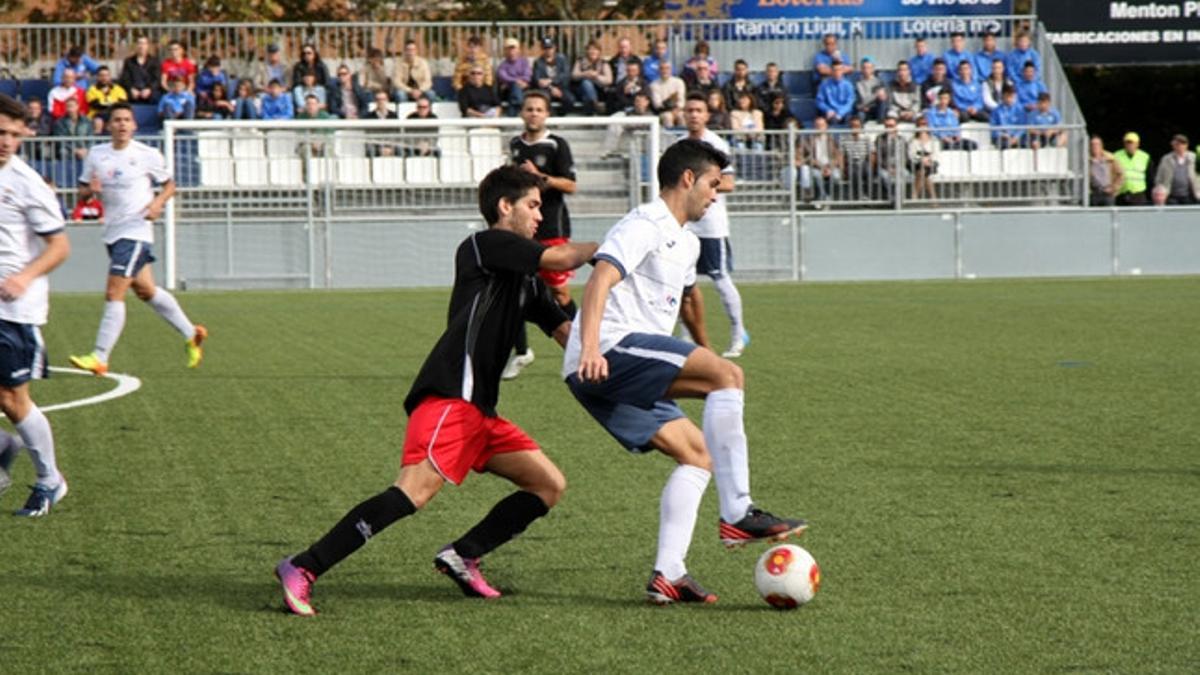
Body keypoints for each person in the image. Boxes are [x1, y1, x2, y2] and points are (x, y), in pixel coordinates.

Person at [273, 166, 598, 616]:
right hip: (450, 398)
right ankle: (304, 566)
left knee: (547, 484)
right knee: (412, 493)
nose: (540, 215)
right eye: (533, 205)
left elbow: (571, 336)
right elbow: (561, 259)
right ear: (505, 207)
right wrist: (615, 248)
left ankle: (464, 554)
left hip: (481, 414)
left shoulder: (527, 283)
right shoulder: (483, 246)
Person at [565, 138, 806, 604]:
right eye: (713, 184)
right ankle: (737, 513)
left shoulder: (688, 241)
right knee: (729, 378)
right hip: (611, 351)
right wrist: (591, 347)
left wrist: (707, 354)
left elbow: (691, 302)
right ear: (688, 179)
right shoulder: (645, 222)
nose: (717, 195)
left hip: (623, 362)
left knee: (699, 456)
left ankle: (668, 574)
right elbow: (599, 278)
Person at [67, 102, 205, 377]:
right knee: (146, 291)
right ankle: (192, 333)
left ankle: (99, 357)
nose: (121, 124)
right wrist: (89, 192)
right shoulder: (96, 154)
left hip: (137, 231)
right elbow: (83, 191)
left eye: (126, 120)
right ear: (109, 125)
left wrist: (157, 204)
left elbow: (170, 186)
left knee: (114, 292)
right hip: (113, 233)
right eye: (116, 120)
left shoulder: (146, 154)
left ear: (134, 125)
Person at [0, 94, 73, 518]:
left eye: (14, 134)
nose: (6, 141)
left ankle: (49, 480)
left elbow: (60, 246)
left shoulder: (27, 183)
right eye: (0, 133)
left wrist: (23, 277)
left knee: (12, 399)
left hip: (13, 311)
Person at [502, 90, 578, 381]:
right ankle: (521, 351)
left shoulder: (557, 145)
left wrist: (540, 177)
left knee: (559, 293)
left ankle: (584, 344)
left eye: (539, 109)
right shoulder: (516, 144)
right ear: (522, 112)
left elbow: (571, 185)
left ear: (546, 114)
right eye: (529, 108)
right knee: (513, 285)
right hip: (521, 228)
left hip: (551, 228)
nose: (534, 113)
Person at [677, 93, 748, 357]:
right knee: (683, 283)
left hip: (710, 226)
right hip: (685, 226)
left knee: (719, 278)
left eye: (698, 110)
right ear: (683, 115)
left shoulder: (715, 145)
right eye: (689, 110)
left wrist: (699, 186)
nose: (693, 114)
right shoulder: (679, 146)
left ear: (707, 115)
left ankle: (738, 333)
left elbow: (728, 183)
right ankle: (685, 336)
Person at [788, 115, 841, 203]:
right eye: (817, 126)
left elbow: (838, 156)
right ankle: (823, 198)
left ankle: (826, 196)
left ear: (826, 126)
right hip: (815, 167)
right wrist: (818, 165)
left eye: (822, 125)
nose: (819, 128)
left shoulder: (833, 140)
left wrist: (830, 167)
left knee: (836, 176)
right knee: (816, 175)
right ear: (814, 127)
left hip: (830, 167)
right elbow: (800, 155)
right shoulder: (807, 140)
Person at [1153, 134, 1200, 205]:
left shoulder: (1194, 158)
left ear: (1186, 145)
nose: (1177, 147)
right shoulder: (1166, 159)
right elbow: (1159, 178)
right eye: (1175, 144)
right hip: (1171, 196)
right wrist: (1160, 192)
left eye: (1179, 144)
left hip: (1190, 196)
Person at [571, 40, 613, 116]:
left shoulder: (604, 63)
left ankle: (591, 108)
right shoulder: (580, 61)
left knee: (587, 98)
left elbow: (609, 80)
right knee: (586, 83)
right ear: (587, 51)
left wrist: (596, 76)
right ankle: (595, 105)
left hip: (599, 91)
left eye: (595, 49)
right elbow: (574, 75)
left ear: (599, 51)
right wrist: (585, 74)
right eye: (590, 49)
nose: (593, 51)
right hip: (581, 91)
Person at [532, 38, 574, 112]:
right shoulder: (538, 62)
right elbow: (537, 79)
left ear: (554, 48)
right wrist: (551, 88)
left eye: (550, 48)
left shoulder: (562, 59)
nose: (548, 50)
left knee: (570, 99)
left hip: (561, 87)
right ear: (542, 49)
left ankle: (561, 117)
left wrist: (551, 81)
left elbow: (566, 76)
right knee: (544, 99)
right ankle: (550, 118)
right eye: (545, 48)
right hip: (546, 89)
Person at [85, 66, 128, 134]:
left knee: (114, 122)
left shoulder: (119, 89)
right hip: (97, 114)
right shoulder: (91, 90)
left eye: (106, 75)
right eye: (101, 75)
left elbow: (122, 104)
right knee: (98, 122)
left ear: (110, 76)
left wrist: (105, 104)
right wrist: (113, 104)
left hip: (114, 114)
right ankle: (97, 142)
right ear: (97, 77)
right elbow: (96, 105)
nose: (104, 78)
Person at [119, 36, 162, 103]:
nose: (141, 46)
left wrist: (149, 89)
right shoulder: (129, 61)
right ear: (136, 45)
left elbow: (157, 79)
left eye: (144, 43)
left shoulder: (155, 61)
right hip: (133, 91)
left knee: (157, 97)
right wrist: (131, 89)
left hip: (150, 91)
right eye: (139, 43)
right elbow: (125, 78)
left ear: (147, 46)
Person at [840, 116, 874, 200]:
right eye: (853, 126)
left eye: (857, 126)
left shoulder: (866, 137)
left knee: (868, 170)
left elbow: (872, 152)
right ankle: (858, 196)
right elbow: (841, 154)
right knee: (854, 172)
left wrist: (872, 165)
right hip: (851, 162)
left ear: (860, 126)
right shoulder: (844, 137)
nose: (855, 128)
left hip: (863, 161)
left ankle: (868, 195)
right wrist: (842, 168)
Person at [1114, 132, 1151, 206]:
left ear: (1137, 144)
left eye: (1132, 143)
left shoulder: (1145, 157)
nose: (1129, 145)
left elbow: (1150, 176)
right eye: (1127, 143)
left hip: (1138, 194)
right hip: (1121, 194)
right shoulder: (1116, 155)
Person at [875, 113, 905, 202]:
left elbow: (905, 156)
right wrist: (888, 168)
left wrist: (897, 168)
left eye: (891, 126)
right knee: (884, 176)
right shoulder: (880, 139)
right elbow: (879, 156)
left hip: (899, 167)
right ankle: (893, 198)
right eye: (887, 126)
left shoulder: (901, 139)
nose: (889, 128)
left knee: (901, 176)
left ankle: (898, 199)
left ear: (896, 127)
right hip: (885, 167)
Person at [497, 38, 532, 115]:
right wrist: (516, 81)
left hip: (524, 88)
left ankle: (512, 117)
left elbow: (527, 76)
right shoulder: (503, 65)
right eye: (509, 49)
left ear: (518, 50)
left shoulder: (524, 62)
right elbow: (503, 76)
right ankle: (520, 106)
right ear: (505, 51)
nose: (511, 52)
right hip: (508, 90)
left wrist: (519, 82)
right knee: (515, 88)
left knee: (514, 94)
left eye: (513, 49)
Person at [909, 117, 940, 202]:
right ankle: (933, 199)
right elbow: (912, 155)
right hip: (917, 164)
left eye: (924, 124)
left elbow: (936, 154)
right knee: (923, 172)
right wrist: (922, 159)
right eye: (920, 124)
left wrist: (928, 160)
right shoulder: (913, 141)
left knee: (923, 172)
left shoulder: (934, 140)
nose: (922, 126)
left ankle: (914, 197)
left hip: (931, 163)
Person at [816, 60, 854, 126]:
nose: (837, 72)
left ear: (843, 71)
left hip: (844, 112)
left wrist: (840, 113)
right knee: (832, 120)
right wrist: (827, 110)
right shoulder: (824, 84)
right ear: (831, 71)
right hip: (831, 111)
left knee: (850, 120)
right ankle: (833, 136)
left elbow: (849, 103)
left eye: (840, 70)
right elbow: (819, 101)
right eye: (835, 70)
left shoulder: (848, 85)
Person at [1088, 136, 1123, 207]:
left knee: (1109, 216)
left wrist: (1113, 188)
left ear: (1102, 146)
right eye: (1092, 144)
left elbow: (1120, 174)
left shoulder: (1111, 158)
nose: (1095, 146)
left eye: (1097, 144)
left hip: (1108, 193)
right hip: (1094, 194)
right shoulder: (1086, 160)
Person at [989, 85, 1026, 149]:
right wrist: (1003, 135)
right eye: (1007, 96)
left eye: (1011, 96)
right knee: (1002, 144)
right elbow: (993, 129)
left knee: (1028, 142)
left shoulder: (1019, 109)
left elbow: (1023, 126)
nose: (1009, 99)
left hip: (1016, 137)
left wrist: (1015, 137)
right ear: (1002, 96)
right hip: (1003, 137)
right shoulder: (996, 111)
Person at [855, 58, 889, 123]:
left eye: (868, 68)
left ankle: (881, 126)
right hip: (864, 110)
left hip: (875, 108)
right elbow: (863, 100)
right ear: (861, 69)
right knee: (860, 115)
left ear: (873, 69)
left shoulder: (879, 81)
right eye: (864, 68)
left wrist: (880, 96)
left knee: (883, 102)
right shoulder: (858, 83)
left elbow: (883, 97)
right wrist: (876, 95)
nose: (866, 70)